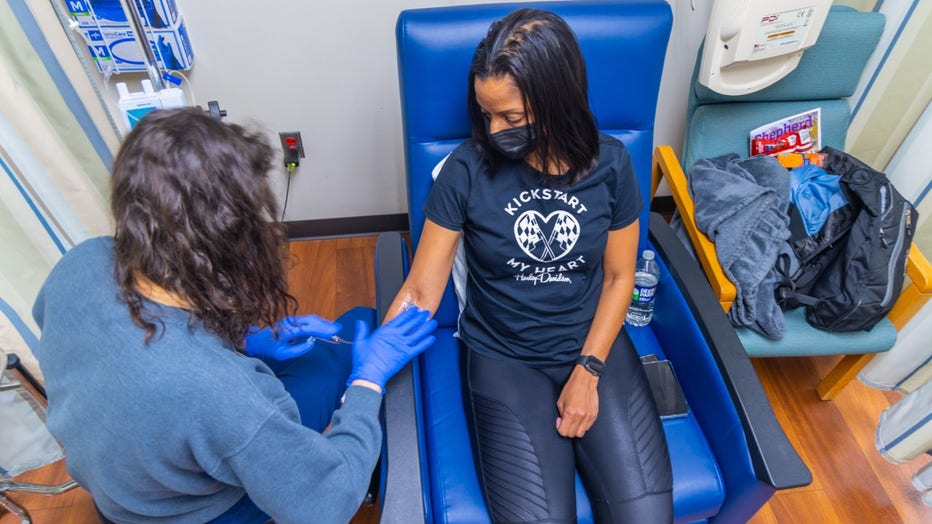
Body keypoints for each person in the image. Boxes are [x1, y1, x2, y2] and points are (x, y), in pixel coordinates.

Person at [31, 107, 436, 524]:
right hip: (191, 513)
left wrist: (242, 341)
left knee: (335, 340)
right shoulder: (218, 393)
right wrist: (368, 380)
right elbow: (326, 505)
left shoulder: (79, 264)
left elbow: (121, 354)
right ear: (226, 237)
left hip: (123, 490)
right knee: (354, 332)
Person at [384, 9, 673, 523]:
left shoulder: (611, 165)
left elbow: (618, 276)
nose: (495, 131)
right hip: (502, 358)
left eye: (511, 119)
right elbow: (422, 292)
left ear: (556, 103)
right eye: (485, 114)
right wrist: (368, 365)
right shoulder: (465, 171)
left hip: (592, 347)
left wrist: (588, 371)